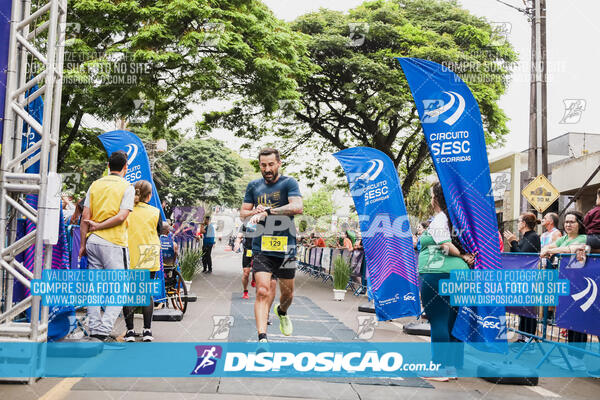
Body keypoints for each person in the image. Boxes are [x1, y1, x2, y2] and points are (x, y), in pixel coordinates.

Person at [240, 148, 303, 343]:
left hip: (286, 246)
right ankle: (262, 339)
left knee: (288, 294)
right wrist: (254, 212)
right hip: (261, 246)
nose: (267, 169)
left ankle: (282, 312)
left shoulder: (289, 183)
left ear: (278, 164)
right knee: (262, 290)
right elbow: (243, 213)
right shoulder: (253, 186)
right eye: (263, 165)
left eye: (270, 164)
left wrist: (268, 210)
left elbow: (297, 207)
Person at [418, 182, 475, 381]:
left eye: (432, 195)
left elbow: (445, 244)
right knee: (453, 320)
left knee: (439, 320)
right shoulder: (459, 218)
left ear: (437, 198)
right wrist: (465, 257)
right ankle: (452, 367)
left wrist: (459, 254)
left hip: (438, 273)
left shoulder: (440, 218)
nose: (431, 199)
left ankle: (440, 368)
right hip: (460, 274)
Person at [80, 151, 134, 341]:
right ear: (125, 167)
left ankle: (94, 328)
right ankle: (104, 330)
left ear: (108, 166)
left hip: (93, 242)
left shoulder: (95, 184)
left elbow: (85, 216)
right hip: (114, 243)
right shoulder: (127, 187)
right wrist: (101, 225)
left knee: (94, 287)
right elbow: (121, 216)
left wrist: (82, 244)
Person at [114, 180, 162, 342]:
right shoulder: (155, 212)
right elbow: (159, 232)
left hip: (128, 253)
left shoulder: (125, 211)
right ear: (149, 196)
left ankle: (130, 332)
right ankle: (147, 331)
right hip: (148, 253)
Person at [540, 211, 588, 365]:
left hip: (580, 284)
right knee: (570, 320)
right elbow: (549, 245)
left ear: (580, 224)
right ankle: (571, 355)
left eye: (572, 222)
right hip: (565, 282)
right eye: (566, 222)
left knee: (579, 322)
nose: (568, 225)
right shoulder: (565, 238)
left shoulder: (584, 238)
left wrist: (550, 251)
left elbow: (571, 250)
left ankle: (578, 358)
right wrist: (546, 250)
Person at [505, 213, 541, 340]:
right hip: (521, 278)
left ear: (524, 223)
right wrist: (512, 243)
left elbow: (523, 256)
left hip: (529, 278)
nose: (518, 223)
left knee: (529, 309)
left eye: (519, 221)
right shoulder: (525, 237)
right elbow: (515, 254)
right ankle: (522, 335)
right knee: (523, 308)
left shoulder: (533, 237)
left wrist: (514, 242)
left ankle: (529, 337)